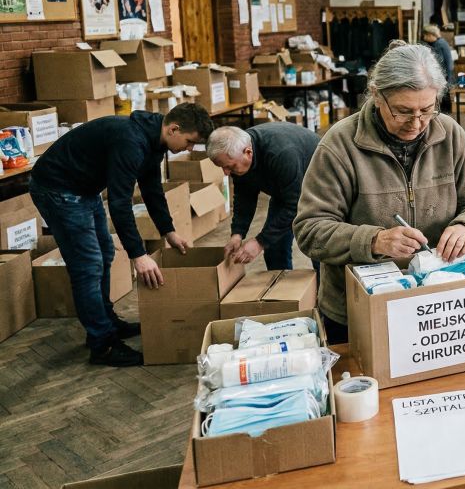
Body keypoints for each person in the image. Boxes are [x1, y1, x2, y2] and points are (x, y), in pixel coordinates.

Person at [294, 41, 465, 345]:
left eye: (427, 110)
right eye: (403, 111)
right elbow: (310, 229)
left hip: (439, 308)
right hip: (359, 312)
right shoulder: (340, 146)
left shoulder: (450, 135)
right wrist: (374, 240)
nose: (416, 124)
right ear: (377, 95)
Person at [29, 104, 213, 366]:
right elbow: (119, 203)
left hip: (84, 188)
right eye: (189, 142)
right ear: (174, 129)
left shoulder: (155, 141)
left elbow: (152, 189)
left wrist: (168, 231)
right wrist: (138, 255)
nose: (189, 149)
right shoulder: (131, 141)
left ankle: (107, 323)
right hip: (58, 189)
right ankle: (102, 345)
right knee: (88, 265)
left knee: (104, 253)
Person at [206, 123, 320, 271]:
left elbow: (295, 205)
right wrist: (237, 233)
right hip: (288, 189)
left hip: (320, 190)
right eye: (222, 167)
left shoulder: (281, 153)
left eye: (230, 167)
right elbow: (244, 196)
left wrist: (259, 242)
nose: (226, 173)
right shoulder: (238, 151)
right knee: (274, 248)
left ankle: (324, 292)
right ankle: (282, 291)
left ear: (248, 152)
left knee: (318, 246)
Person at [421, 24, 455, 112]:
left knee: (443, 97)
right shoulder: (442, 41)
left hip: (445, 75)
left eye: (425, 35)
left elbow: (438, 62)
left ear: (431, 35)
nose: (424, 38)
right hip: (448, 73)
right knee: (445, 96)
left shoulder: (438, 44)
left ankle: (444, 115)